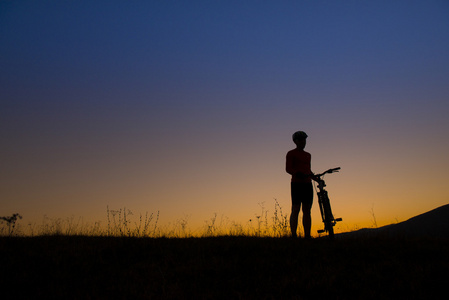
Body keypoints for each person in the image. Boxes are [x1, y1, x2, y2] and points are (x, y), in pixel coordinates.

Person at [286, 131, 316, 239]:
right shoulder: (291, 153)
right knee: (295, 209)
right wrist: (297, 173)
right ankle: (293, 235)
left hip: (307, 184)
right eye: (300, 139)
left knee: (307, 210)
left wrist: (315, 178)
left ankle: (307, 235)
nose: (303, 142)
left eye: (304, 139)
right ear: (295, 141)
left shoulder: (308, 155)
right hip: (296, 184)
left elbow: (308, 170)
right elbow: (288, 168)